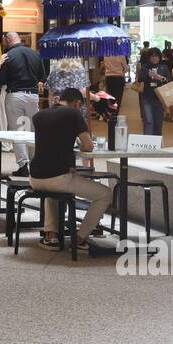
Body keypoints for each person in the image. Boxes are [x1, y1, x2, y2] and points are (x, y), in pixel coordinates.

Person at [29, 88, 115, 250]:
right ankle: (80, 238)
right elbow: (88, 146)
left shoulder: (39, 116)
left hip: (35, 178)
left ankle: (51, 236)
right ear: (77, 103)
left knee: (52, 191)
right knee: (105, 194)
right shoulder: (73, 114)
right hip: (58, 179)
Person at [0, 31, 47, 176]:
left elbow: (0, 81)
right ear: (19, 39)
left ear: (8, 40)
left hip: (15, 95)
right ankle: (36, 164)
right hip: (33, 96)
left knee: (17, 131)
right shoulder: (35, 54)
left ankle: (23, 166)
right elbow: (42, 77)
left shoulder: (8, 56)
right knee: (33, 130)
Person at [137, 47, 173, 137]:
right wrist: (149, 76)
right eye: (152, 56)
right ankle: (148, 142)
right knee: (148, 120)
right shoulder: (145, 67)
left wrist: (161, 78)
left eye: (156, 56)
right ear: (149, 57)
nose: (154, 58)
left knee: (158, 121)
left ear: (159, 57)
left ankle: (157, 142)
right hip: (147, 96)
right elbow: (140, 78)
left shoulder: (163, 67)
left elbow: (169, 80)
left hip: (159, 98)